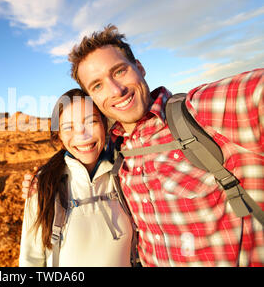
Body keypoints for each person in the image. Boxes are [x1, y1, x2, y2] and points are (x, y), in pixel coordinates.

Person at [23, 25, 264, 266]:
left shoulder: (200, 112)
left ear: (140, 67)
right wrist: (45, 182)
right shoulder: (118, 153)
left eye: (119, 71)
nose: (116, 90)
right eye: (97, 85)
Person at [19, 88, 134, 267]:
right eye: (68, 127)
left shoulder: (125, 174)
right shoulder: (44, 185)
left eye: (92, 122)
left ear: (105, 124)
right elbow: (30, 260)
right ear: (59, 136)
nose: (83, 134)